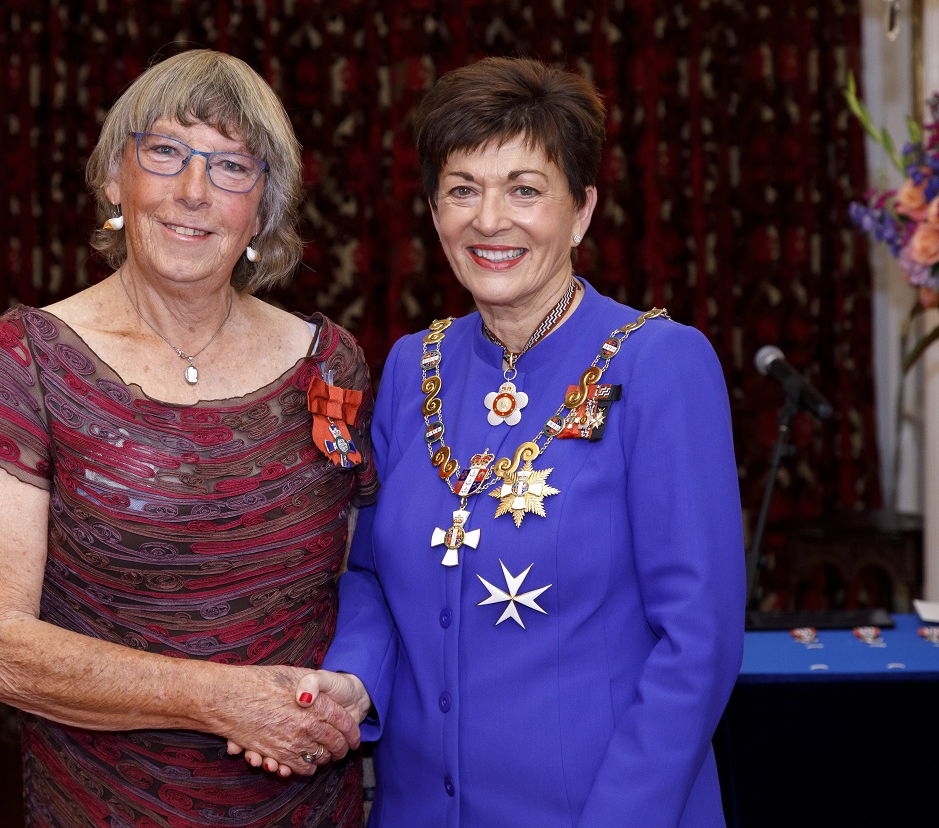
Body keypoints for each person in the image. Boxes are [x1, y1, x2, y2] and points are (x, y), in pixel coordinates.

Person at [244, 56, 746, 827]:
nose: (489, 220)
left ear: (581, 210)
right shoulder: (416, 364)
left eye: (524, 189)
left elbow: (699, 644)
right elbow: (373, 572)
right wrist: (353, 679)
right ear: (435, 211)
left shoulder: (660, 364)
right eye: (462, 190)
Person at [0, 49, 375, 827]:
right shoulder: (27, 358)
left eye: (233, 165)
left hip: (307, 801)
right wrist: (221, 701)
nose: (193, 192)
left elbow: (370, 573)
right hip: (104, 803)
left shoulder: (330, 362)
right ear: (113, 179)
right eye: (165, 152)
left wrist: (353, 689)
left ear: (263, 205)